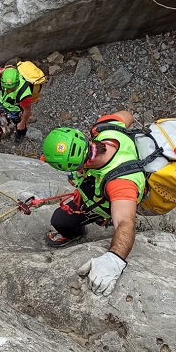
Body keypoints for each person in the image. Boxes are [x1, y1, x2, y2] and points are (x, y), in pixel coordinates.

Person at [41, 110, 145, 297]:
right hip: (102, 182)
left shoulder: (121, 183)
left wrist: (114, 259)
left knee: (61, 220)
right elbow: (127, 115)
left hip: (110, 200)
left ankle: (77, 231)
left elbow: (125, 222)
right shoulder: (106, 128)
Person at [0, 66, 33, 142]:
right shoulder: (4, 76)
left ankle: (20, 135)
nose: (8, 90)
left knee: (19, 125)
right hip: (3, 103)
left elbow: (27, 111)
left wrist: (22, 123)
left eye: (12, 88)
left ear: (17, 82)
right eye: (6, 87)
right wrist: (1, 71)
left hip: (14, 110)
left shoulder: (24, 94)